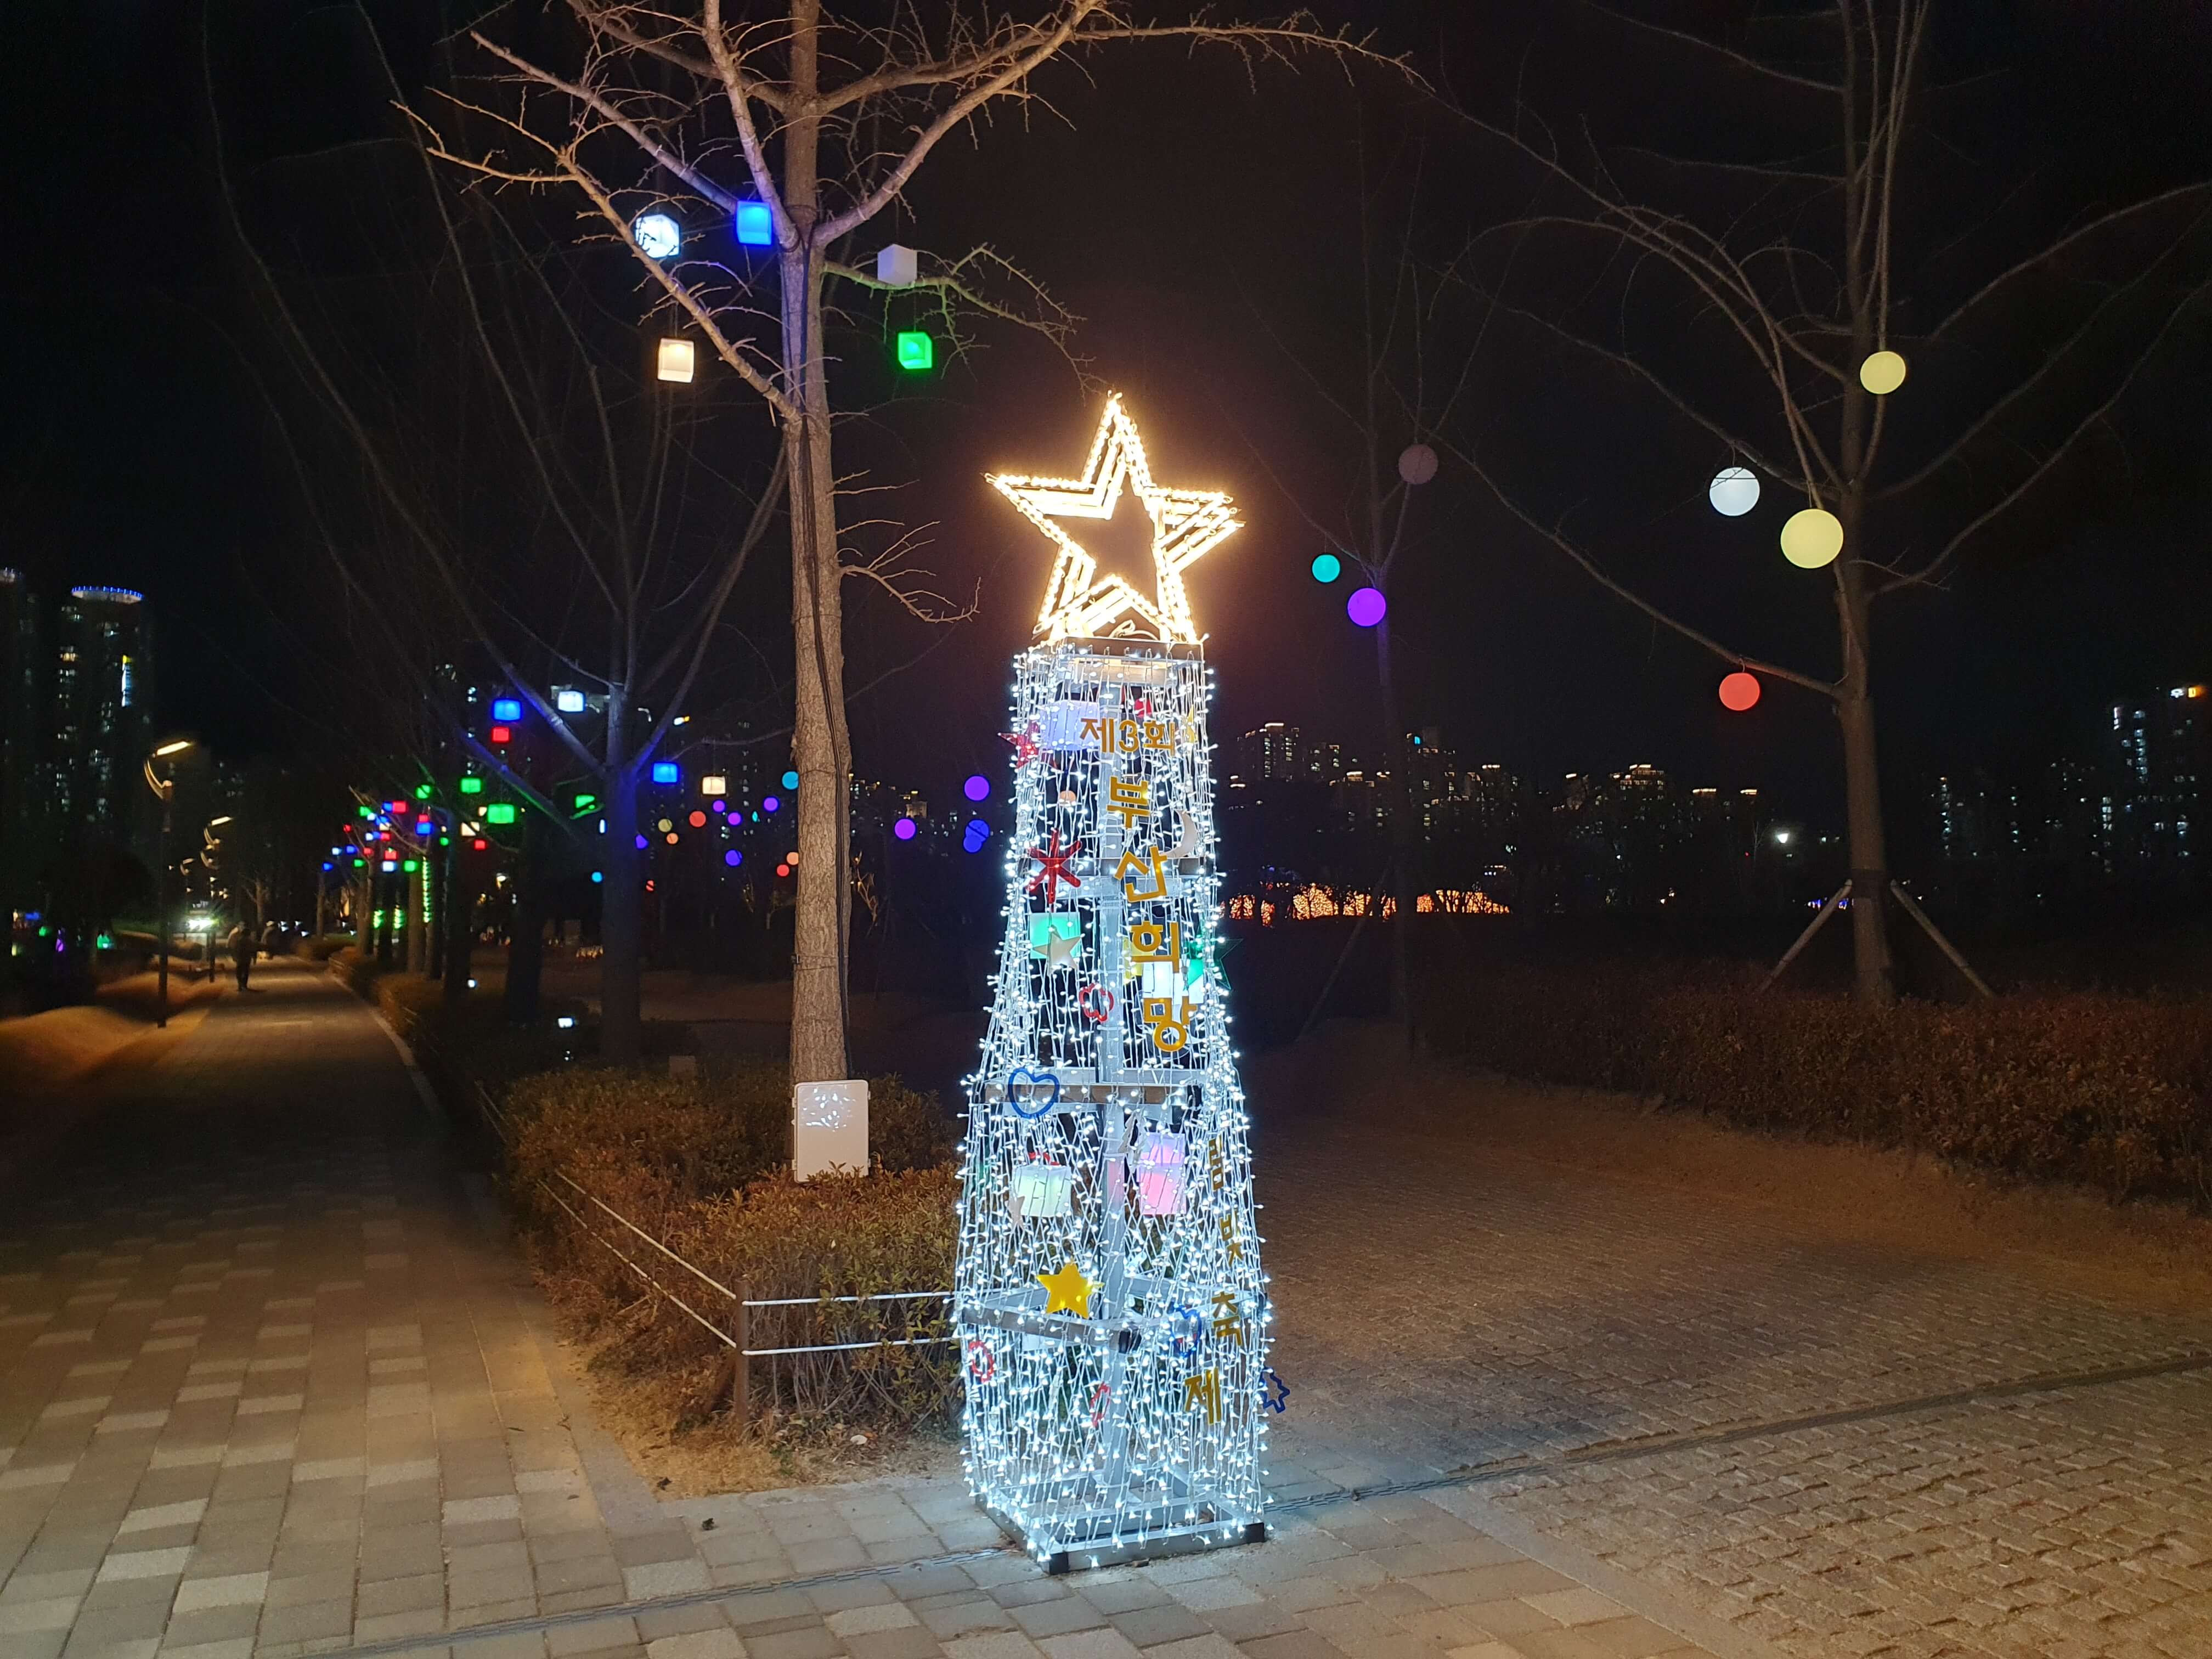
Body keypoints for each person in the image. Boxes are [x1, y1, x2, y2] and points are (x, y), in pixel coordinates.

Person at [228, 922, 252, 991]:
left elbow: (236, 949)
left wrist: (234, 957)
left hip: (240, 959)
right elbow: (252, 949)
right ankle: (244, 985)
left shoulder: (239, 941)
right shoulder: (250, 941)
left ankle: (240, 985)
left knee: (239, 973)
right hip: (247, 959)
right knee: (246, 972)